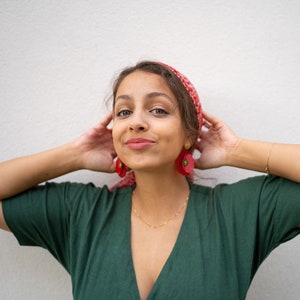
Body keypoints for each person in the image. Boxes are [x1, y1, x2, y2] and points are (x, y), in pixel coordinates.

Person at [0, 61, 299, 300]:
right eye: (124, 111)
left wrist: (236, 151)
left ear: (189, 134)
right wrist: (74, 155)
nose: (136, 122)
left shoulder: (242, 211)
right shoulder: (79, 212)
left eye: (158, 110)